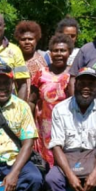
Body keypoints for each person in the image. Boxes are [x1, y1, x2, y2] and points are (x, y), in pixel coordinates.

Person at [29, 34, 72, 167]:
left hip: (66, 126)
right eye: (55, 50)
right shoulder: (41, 73)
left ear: (69, 52)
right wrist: (28, 124)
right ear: (50, 53)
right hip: (44, 128)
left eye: (63, 50)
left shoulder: (73, 75)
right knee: (44, 163)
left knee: (64, 161)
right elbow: (32, 100)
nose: (59, 54)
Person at [14, 20, 47, 101]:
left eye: (30, 39)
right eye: (23, 39)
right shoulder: (12, 59)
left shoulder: (41, 62)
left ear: (36, 40)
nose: (27, 42)